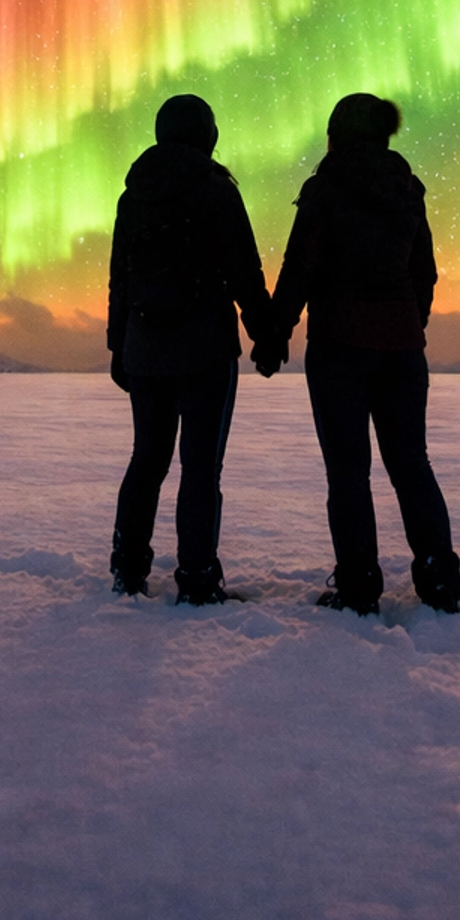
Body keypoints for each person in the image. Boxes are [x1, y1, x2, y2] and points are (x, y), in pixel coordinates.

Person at [260, 92, 460, 616]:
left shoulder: (325, 189)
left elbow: (300, 269)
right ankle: (440, 581)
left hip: (339, 350)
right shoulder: (407, 189)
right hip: (401, 352)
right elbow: (424, 273)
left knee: (348, 473)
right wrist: (407, 324)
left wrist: (275, 333)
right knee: (411, 464)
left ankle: (358, 587)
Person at [106, 92, 274, 604]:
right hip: (206, 351)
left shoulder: (133, 195)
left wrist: (120, 347)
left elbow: (121, 279)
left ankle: (129, 570)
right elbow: (244, 269)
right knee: (201, 468)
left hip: (146, 351)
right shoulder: (215, 189)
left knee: (147, 459)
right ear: (207, 133)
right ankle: (197, 578)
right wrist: (265, 331)